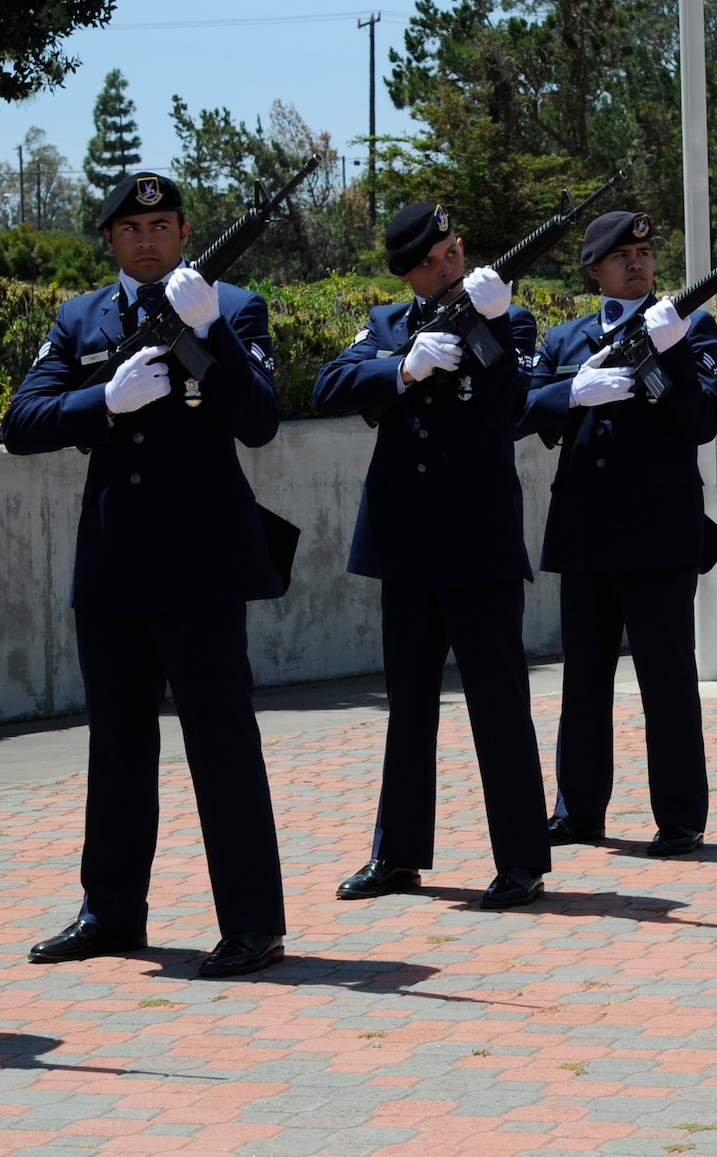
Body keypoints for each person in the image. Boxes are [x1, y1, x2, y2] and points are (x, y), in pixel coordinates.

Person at [2, 171, 290, 978]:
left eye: (163, 223)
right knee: (118, 748)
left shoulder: (231, 307)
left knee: (221, 747)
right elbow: (21, 421)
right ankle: (111, 910)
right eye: (132, 229)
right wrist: (103, 399)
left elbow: (261, 419)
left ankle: (253, 922)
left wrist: (211, 335)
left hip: (201, 565)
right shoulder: (80, 319)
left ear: (184, 231)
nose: (149, 239)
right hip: (114, 565)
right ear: (111, 241)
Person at [313, 200, 553, 909]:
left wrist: (495, 328)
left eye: (454, 252)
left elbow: (515, 411)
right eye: (433, 262)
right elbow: (331, 385)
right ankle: (397, 852)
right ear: (409, 274)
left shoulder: (510, 320)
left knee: (499, 706)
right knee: (408, 707)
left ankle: (520, 861)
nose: (450, 267)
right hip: (407, 542)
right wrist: (404, 370)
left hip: (478, 542)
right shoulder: (390, 328)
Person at [513, 210, 717, 856]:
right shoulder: (567, 339)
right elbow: (519, 410)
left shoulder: (690, 327)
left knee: (667, 676)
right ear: (592, 270)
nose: (637, 262)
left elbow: (706, 418)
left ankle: (681, 815)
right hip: (585, 529)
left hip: (658, 531)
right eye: (620, 255)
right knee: (584, 679)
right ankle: (578, 809)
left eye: (645, 250)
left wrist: (670, 353)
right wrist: (571, 394)